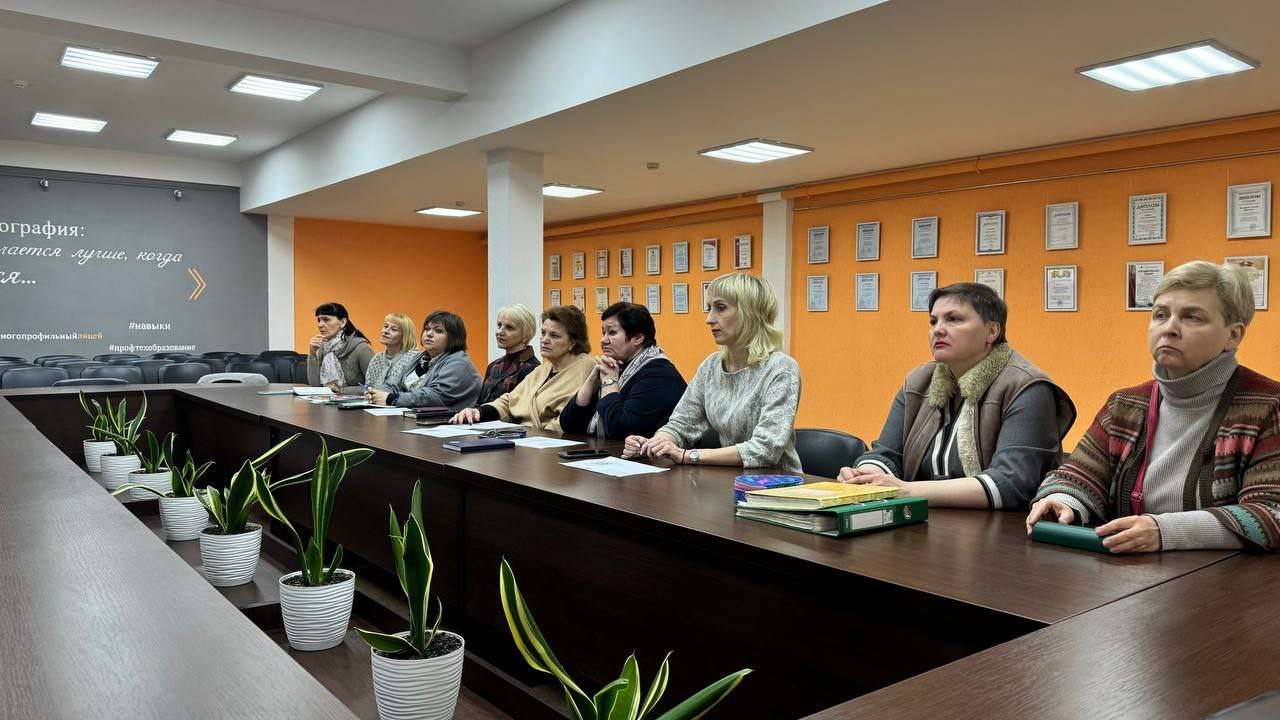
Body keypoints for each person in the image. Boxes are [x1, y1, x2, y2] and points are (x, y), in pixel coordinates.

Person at [1028, 261, 1280, 553]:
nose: (1169, 328)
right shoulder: (1125, 404)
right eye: (1161, 315)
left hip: (1228, 579)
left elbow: (1272, 513)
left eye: (1192, 317)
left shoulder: (1269, 407)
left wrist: (1165, 530)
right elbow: (1077, 475)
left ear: (1233, 335)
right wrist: (1063, 500)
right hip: (1127, 573)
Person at [837, 283, 1075, 510]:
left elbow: (1011, 484)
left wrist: (905, 490)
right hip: (921, 519)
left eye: (954, 319)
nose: (938, 330)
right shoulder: (919, 381)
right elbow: (886, 454)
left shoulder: (1028, 387)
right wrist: (865, 476)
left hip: (1002, 530)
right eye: (933, 321)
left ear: (992, 331)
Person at [623, 273, 802, 472]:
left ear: (750, 312)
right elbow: (681, 424)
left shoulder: (781, 368)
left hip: (780, 484)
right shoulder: (710, 366)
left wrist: (686, 455)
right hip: (731, 479)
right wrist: (656, 443)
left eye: (721, 308)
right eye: (709, 308)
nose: (709, 319)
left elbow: (764, 449)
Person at [450, 305, 595, 432]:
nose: (544, 340)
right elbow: (509, 401)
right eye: (543, 333)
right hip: (527, 438)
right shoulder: (544, 369)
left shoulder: (585, 368)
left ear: (572, 342)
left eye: (554, 336)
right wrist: (479, 412)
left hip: (549, 443)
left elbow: (566, 420)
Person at [560, 302, 687, 439]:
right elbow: (568, 424)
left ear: (638, 338)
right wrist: (591, 381)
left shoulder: (659, 375)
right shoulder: (616, 366)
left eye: (612, 332)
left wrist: (610, 382)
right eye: (604, 333)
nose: (603, 340)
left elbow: (620, 430)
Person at [366, 311, 481, 412]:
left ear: (454, 338)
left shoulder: (459, 363)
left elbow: (432, 397)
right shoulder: (422, 358)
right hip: (414, 418)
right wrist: (377, 394)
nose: (429, 333)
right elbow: (393, 384)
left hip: (448, 423)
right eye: (427, 329)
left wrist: (391, 398)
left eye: (438, 331)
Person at [478, 304, 541, 405]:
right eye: (499, 325)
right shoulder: (493, 366)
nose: (500, 332)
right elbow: (480, 403)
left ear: (526, 335)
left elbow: (520, 409)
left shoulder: (533, 369)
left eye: (509, 328)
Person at [307, 302, 373, 393]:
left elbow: (376, 387)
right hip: (330, 399)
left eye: (326, 319)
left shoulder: (361, 348)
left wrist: (341, 390)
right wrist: (312, 355)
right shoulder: (324, 347)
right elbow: (316, 386)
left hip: (358, 401)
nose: (320, 325)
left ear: (343, 322)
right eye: (319, 320)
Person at [366, 312, 421, 391]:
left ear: (404, 336)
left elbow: (415, 390)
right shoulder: (377, 359)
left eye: (394, 329)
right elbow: (368, 386)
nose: (386, 331)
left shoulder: (413, 358)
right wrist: (368, 393)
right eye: (385, 326)